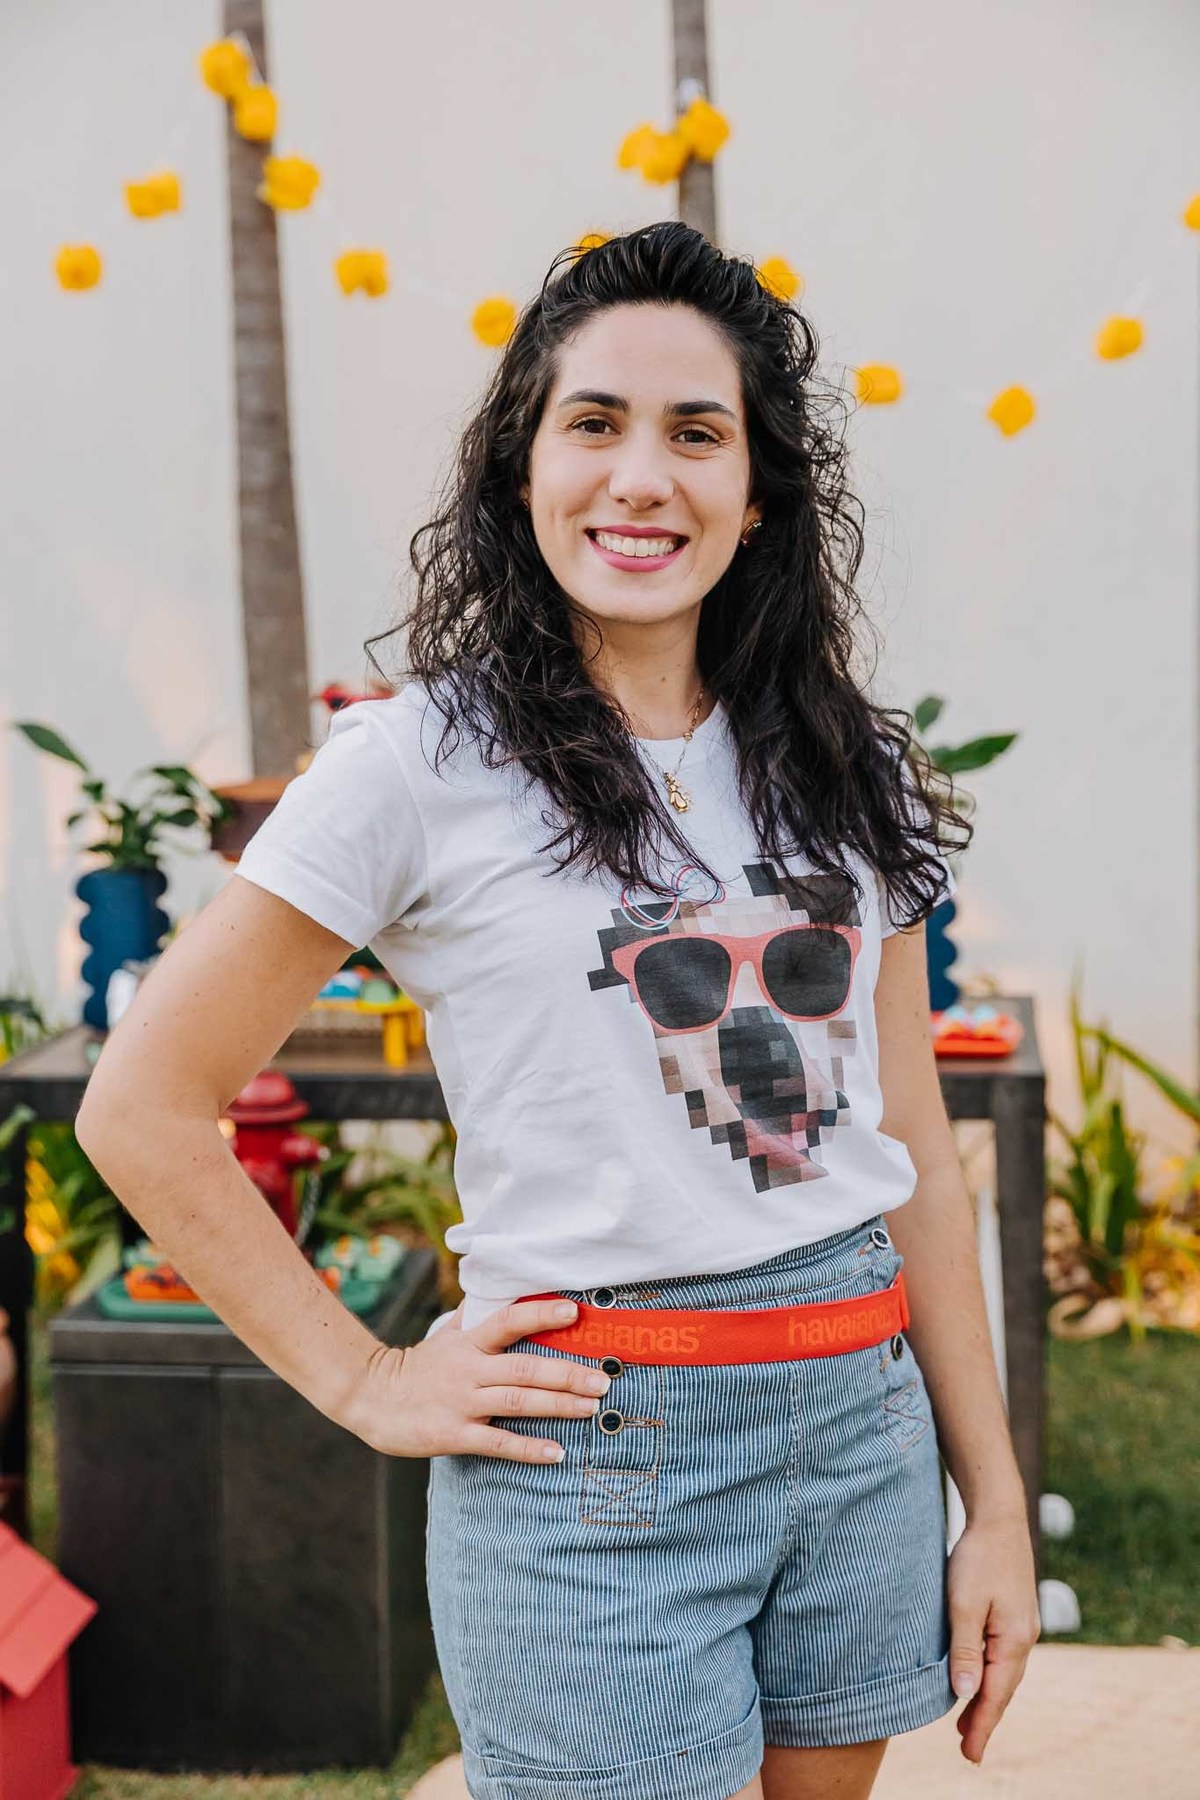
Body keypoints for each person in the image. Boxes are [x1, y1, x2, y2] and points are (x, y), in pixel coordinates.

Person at [76, 221, 1039, 1800]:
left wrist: (992, 1503)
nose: (640, 478)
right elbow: (143, 1105)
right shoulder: (417, 765)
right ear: (522, 465)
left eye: (696, 432)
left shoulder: (846, 757)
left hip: (862, 1426)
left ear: (758, 489)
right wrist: (366, 1380)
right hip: (593, 1463)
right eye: (594, 423)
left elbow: (917, 1152)